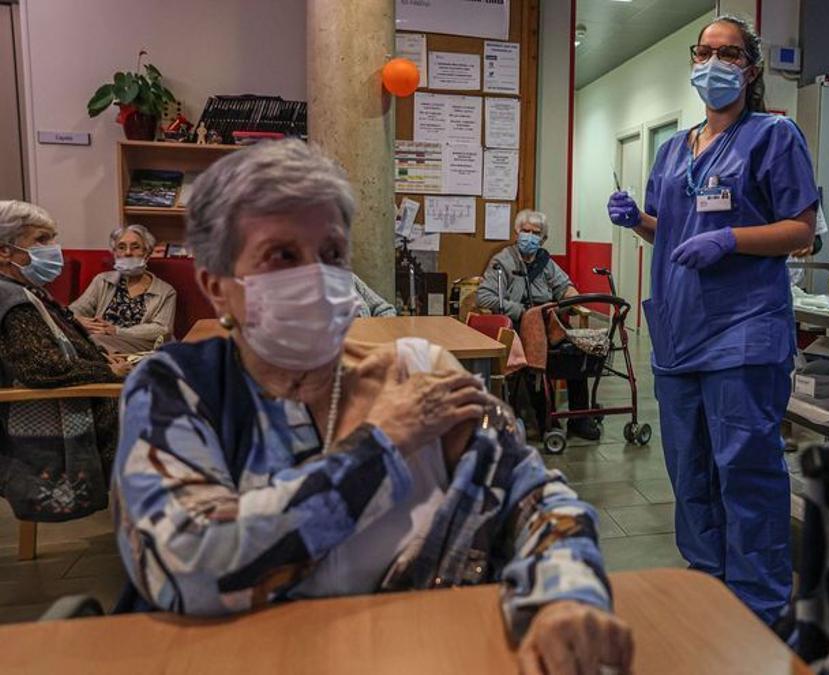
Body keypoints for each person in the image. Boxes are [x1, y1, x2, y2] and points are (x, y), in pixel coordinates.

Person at [111, 141, 632, 673]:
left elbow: (539, 500)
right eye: (282, 256)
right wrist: (382, 443)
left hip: (428, 654)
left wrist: (566, 597)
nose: (316, 277)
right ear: (217, 288)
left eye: (333, 254)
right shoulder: (180, 389)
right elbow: (191, 565)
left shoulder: (420, 372)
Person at [606, 15, 817, 626]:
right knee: (690, 471)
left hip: (742, 330)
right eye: (705, 52)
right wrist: (636, 222)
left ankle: (761, 607)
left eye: (728, 54)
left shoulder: (775, 136)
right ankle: (709, 585)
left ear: (750, 68)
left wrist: (730, 239)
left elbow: (800, 231)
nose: (714, 63)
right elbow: (670, 229)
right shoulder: (674, 149)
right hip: (678, 331)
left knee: (745, 471)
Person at [0, 200, 130, 522]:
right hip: (80, 413)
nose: (53, 249)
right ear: (4, 252)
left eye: (53, 239)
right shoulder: (12, 299)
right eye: (41, 240)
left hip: (89, 395)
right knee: (178, 414)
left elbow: (58, 348)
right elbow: (43, 367)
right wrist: (107, 372)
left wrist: (100, 358)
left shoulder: (26, 290)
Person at [475, 209, 601, 441]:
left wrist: (572, 300)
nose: (530, 236)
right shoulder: (502, 261)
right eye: (526, 231)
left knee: (577, 351)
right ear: (517, 232)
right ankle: (546, 421)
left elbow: (566, 287)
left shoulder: (545, 262)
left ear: (542, 238)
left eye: (536, 233)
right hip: (517, 325)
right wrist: (521, 311)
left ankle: (579, 418)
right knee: (536, 357)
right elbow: (484, 297)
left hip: (547, 323)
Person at [70, 224, 177, 353]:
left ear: (147, 252)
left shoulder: (165, 291)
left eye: (135, 247)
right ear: (114, 253)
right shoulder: (102, 280)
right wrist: (78, 319)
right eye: (121, 247)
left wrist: (116, 331)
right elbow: (76, 309)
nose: (128, 253)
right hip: (99, 341)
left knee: (94, 341)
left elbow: (162, 330)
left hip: (141, 347)